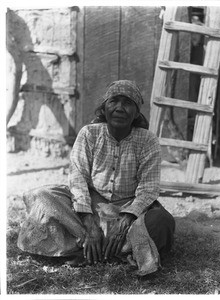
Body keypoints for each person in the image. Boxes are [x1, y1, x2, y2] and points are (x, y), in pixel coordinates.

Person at [17, 80, 175, 276]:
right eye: (114, 102)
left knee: (162, 221)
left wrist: (126, 218)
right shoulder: (89, 134)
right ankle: (102, 246)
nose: (119, 108)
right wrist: (90, 225)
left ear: (136, 113)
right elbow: (78, 177)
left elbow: (148, 188)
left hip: (128, 211)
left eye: (127, 103)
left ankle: (90, 250)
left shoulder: (147, 140)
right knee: (42, 197)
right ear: (104, 108)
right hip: (88, 208)